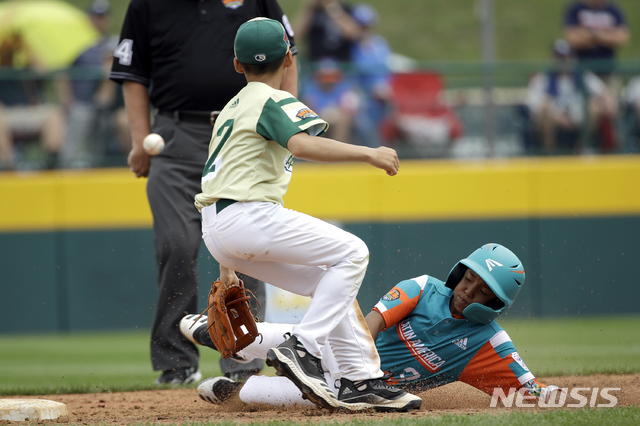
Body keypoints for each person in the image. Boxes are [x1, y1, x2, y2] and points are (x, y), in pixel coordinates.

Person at [192, 17, 421, 412]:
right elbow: (302, 144)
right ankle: (303, 347)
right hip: (249, 216)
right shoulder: (272, 99)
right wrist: (370, 153)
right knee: (354, 253)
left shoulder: (230, 109)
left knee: (329, 282)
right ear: (288, 59)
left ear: (236, 64)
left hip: (217, 229)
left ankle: (359, 380)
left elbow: (221, 180)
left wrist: (226, 267)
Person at [109, 0, 299, 385]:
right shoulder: (147, 5)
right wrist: (138, 139)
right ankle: (176, 363)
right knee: (175, 245)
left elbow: (287, 57)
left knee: (246, 247)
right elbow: (133, 74)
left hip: (246, 134)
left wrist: (285, 121)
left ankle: (244, 361)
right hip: (175, 136)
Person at [181, 243, 564, 409]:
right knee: (286, 340)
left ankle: (238, 390)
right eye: (469, 279)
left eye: (482, 291)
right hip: (345, 360)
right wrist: (358, 373)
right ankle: (221, 337)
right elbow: (371, 322)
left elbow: (531, 391)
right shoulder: (423, 288)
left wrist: (581, 399)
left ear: (497, 304)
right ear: (459, 272)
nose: (468, 291)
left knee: (256, 396)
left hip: (352, 393)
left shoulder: (489, 344)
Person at [58, 0, 124, 168]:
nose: (99, 21)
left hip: (105, 105)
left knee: (98, 149)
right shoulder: (77, 43)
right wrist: (67, 99)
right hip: (80, 102)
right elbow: (63, 71)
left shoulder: (113, 42)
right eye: (95, 17)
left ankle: (98, 171)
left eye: (102, 17)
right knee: (72, 147)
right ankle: (66, 171)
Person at [526, 39, 615, 154]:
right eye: (560, 57)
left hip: (578, 118)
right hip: (554, 119)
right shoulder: (543, 79)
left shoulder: (583, 76)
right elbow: (533, 104)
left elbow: (603, 92)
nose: (564, 60)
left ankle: (582, 148)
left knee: (594, 106)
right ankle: (549, 152)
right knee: (545, 107)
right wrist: (557, 116)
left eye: (567, 56)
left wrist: (606, 103)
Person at [563, 0, 629, 150]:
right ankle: (582, 148)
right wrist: (605, 36)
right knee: (590, 109)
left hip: (608, 73)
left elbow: (622, 37)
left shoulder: (613, 9)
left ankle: (615, 148)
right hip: (584, 74)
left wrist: (592, 35)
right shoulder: (576, 9)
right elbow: (573, 38)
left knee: (612, 108)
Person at [300, 58, 360, 143]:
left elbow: (352, 110)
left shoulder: (344, 87)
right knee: (316, 123)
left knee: (343, 121)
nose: (328, 80)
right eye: (325, 76)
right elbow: (307, 110)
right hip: (318, 118)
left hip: (339, 119)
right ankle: (318, 149)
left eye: (331, 76)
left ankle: (339, 149)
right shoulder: (310, 88)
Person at [294, 0, 363, 64]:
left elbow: (353, 34)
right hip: (315, 63)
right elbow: (297, 35)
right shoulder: (312, 12)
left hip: (341, 63)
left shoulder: (344, 9)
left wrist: (331, 7)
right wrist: (310, 8)